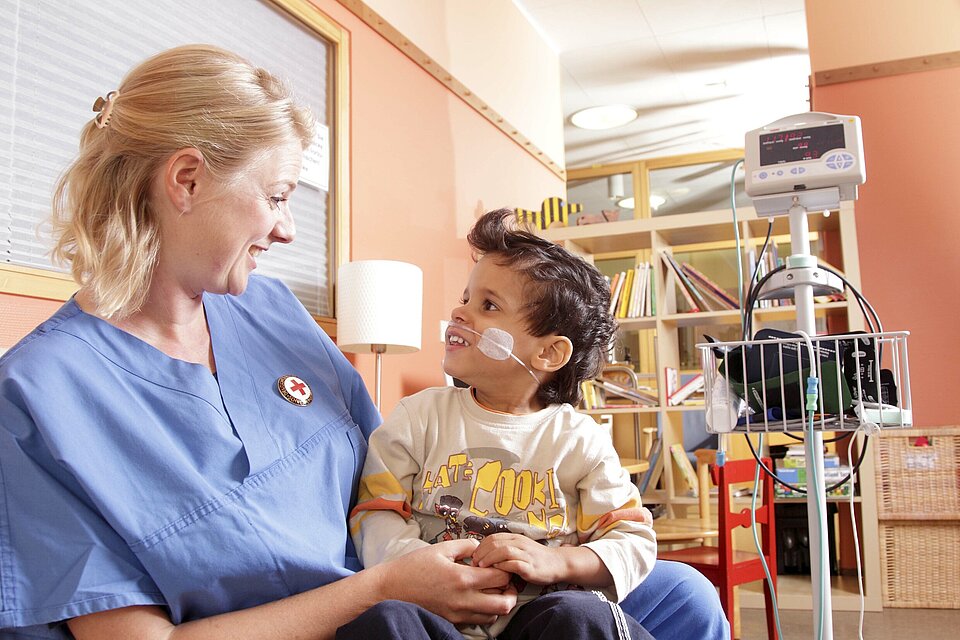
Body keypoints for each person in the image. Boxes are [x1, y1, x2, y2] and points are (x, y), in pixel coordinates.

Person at [0, 44, 728, 640]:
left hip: (415, 586)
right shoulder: (39, 398)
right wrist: (383, 586)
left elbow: (399, 481)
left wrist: (528, 549)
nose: (287, 229)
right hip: (356, 617)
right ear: (186, 180)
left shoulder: (272, 311)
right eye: (279, 195)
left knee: (685, 598)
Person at [347, 209, 657, 639]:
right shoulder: (418, 417)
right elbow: (375, 512)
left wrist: (559, 562)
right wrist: (417, 568)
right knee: (384, 622)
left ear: (548, 354)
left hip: (538, 620)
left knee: (584, 616)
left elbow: (633, 540)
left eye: (488, 305)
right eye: (466, 297)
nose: (460, 311)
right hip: (436, 614)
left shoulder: (578, 441)